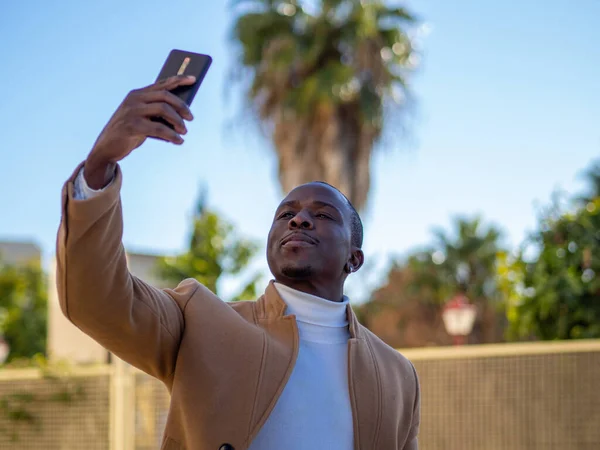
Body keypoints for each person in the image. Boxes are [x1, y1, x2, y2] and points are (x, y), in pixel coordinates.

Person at [56, 75, 420, 450]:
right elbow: (95, 299)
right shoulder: (200, 321)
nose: (299, 219)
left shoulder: (396, 374)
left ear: (354, 259)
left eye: (323, 215)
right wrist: (100, 164)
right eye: (285, 215)